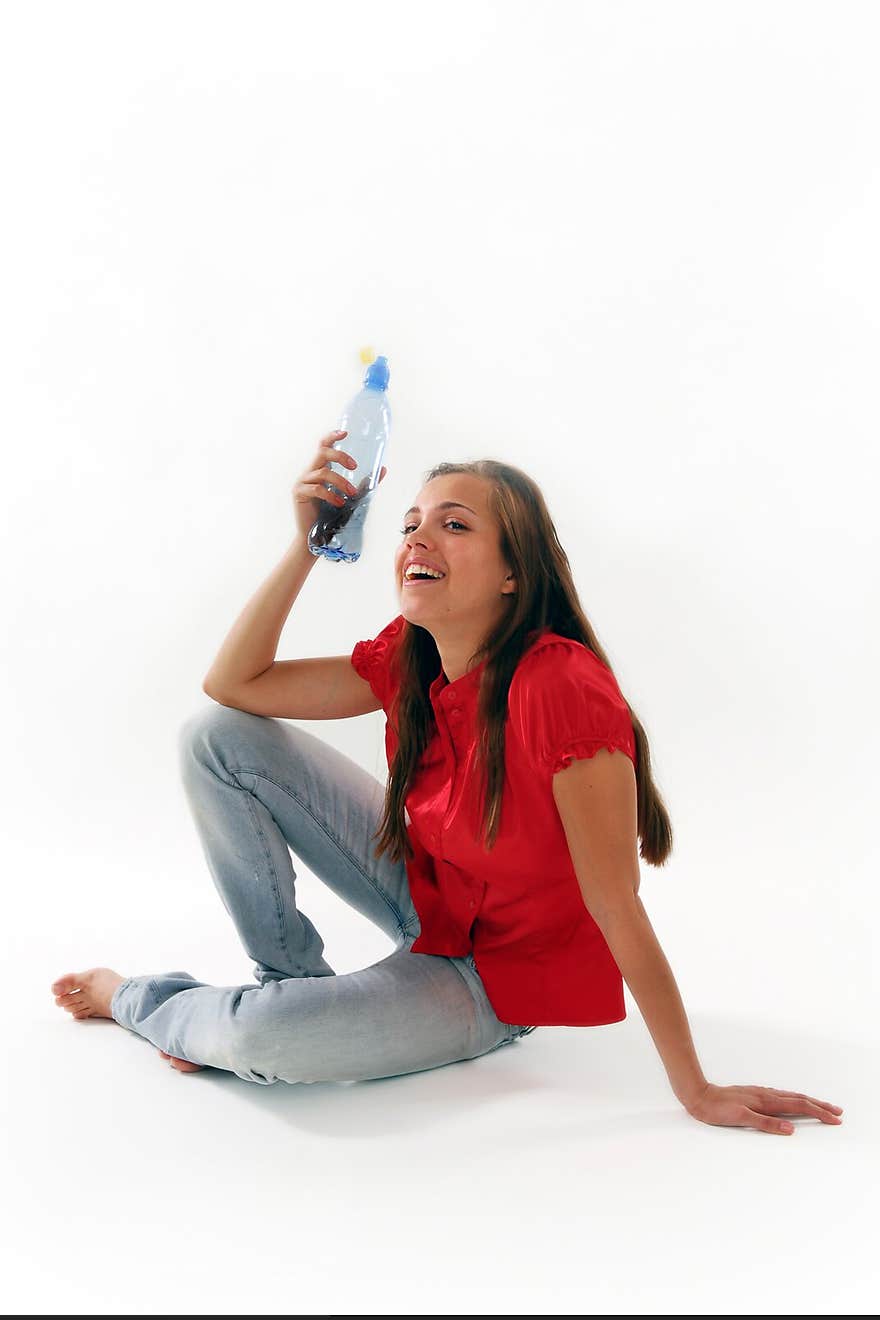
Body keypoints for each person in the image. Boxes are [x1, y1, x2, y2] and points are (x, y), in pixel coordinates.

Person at [52, 429, 843, 1136]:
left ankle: (159, 1006)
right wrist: (308, 545)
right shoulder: (414, 652)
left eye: (454, 524)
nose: (417, 536)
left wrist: (695, 1089)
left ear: (512, 574)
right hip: (429, 887)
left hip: (491, 981)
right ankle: (291, 984)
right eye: (410, 524)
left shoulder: (560, 687)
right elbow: (234, 686)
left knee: (264, 1042)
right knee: (214, 738)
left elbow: (615, 904)